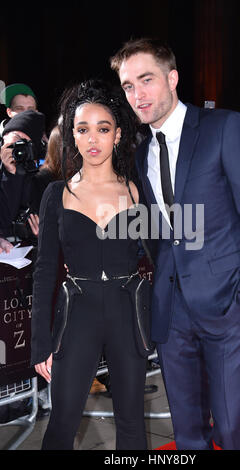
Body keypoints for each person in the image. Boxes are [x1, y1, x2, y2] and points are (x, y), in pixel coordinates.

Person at [110, 38, 240, 450]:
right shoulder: (139, 150)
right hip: (172, 312)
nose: (137, 94)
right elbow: (160, 230)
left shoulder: (223, 128)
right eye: (128, 86)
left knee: (232, 428)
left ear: (172, 78)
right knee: (187, 433)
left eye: (146, 80)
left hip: (229, 304)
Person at [30, 79, 148, 450]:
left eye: (103, 128)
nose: (93, 138)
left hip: (127, 313)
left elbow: (163, 257)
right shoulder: (56, 195)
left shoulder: (137, 191)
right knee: (62, 422)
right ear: (72, 137)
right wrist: (40, 344)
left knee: (132, 424)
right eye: (83, 129)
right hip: (76, 314)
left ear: (117, 136)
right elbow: (45, 271)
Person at [0, 110, 46, 239]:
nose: (18, 146)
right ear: (4, 138)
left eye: (25, 142)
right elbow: (3, 221)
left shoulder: (38, 175)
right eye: (16, 137)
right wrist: (9, 174)